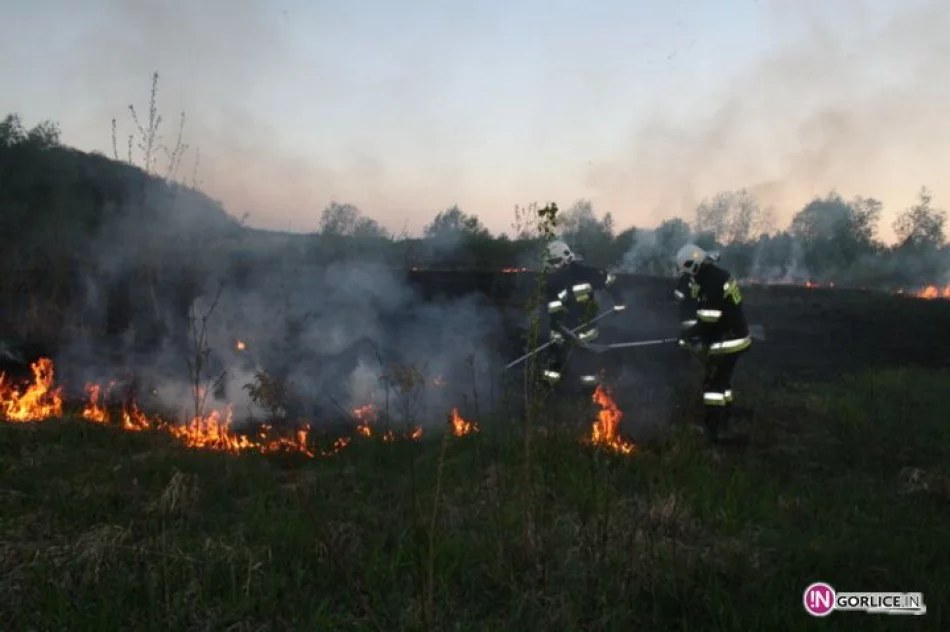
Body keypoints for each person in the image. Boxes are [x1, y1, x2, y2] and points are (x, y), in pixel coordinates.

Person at [674, 243, 751, 444]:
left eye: (687, 271)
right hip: (734, 334)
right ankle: (725, 418)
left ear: (693, 265)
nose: (687, 276)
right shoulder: (716, 275)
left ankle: (713, 431)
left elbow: (709, 318)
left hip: (727, 340)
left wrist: (688, 336)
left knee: (712, 388)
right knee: (723, 382)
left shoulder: (711, 282)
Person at [540, 239, 625, 393]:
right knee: (555, 361)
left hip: (587, 326)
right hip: (563, 327)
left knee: (587, 363)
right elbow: (553, 308)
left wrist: (619, 300)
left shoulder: (586, 273)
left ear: (567, 258)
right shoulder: (552, 282)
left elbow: (610, 281)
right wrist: (557, 327)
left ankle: (589, 394)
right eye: (550, 263)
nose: (553, 266)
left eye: (556, 262)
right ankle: (548, 392)